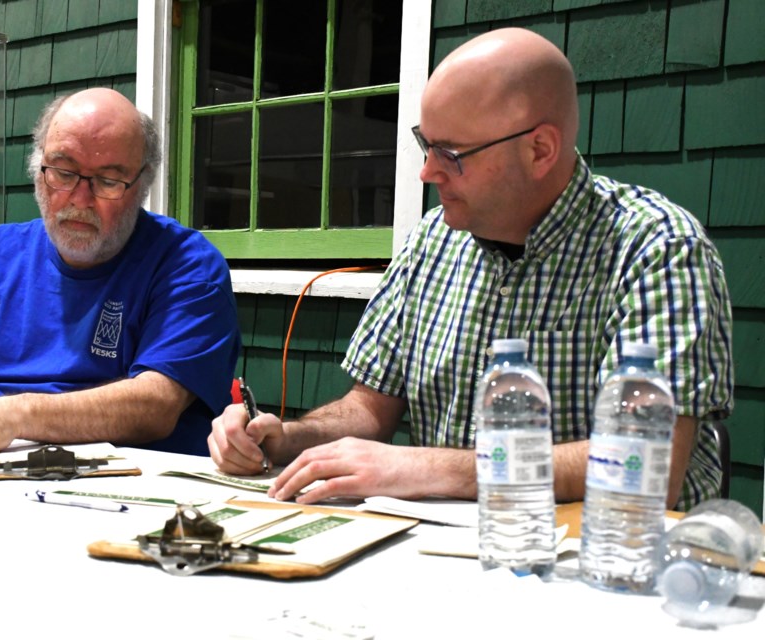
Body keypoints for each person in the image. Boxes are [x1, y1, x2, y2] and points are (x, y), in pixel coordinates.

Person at [208, 28, 732, 511]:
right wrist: (285, 438)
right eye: (426, 143)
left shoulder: (656, 248)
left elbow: (648, 464)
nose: (427, 171)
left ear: (540, 150)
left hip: (605, 568)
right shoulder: (435, 239)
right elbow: (370, 408)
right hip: (446, 555)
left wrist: (430, 467)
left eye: (451, 152)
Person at [0, 88, 240, 469]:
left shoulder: (188, 265)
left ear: (142, 185)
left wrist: (15, 415)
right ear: (38, 169)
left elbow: (155, 405)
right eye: (64, 173)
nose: (79, 199)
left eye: (107, 181)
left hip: (131, 485)